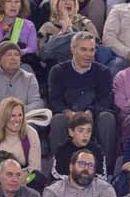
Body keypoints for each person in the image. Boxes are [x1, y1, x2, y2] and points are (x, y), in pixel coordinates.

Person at [48, 33, 118, 173]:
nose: (88, 54)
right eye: (83, 50)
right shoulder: (58, 71)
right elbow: (55, 100)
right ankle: (59, 168)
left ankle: (106, 169)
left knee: (107, 118)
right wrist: (69, 113)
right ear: (73, 49)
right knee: (58, 120)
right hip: (69, 114)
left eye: (92, 50)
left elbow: (105, 99)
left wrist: (90, 112)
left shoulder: (103, 72)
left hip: (94, 114)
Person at [0, 97, 42, 192]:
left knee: (37, 177)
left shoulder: (31, 133)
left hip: (23, 178)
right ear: (3, 117)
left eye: (20, 115)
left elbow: (35, 168)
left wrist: (20, 179)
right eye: (13, 116)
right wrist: (6, 178)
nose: (17, 119)